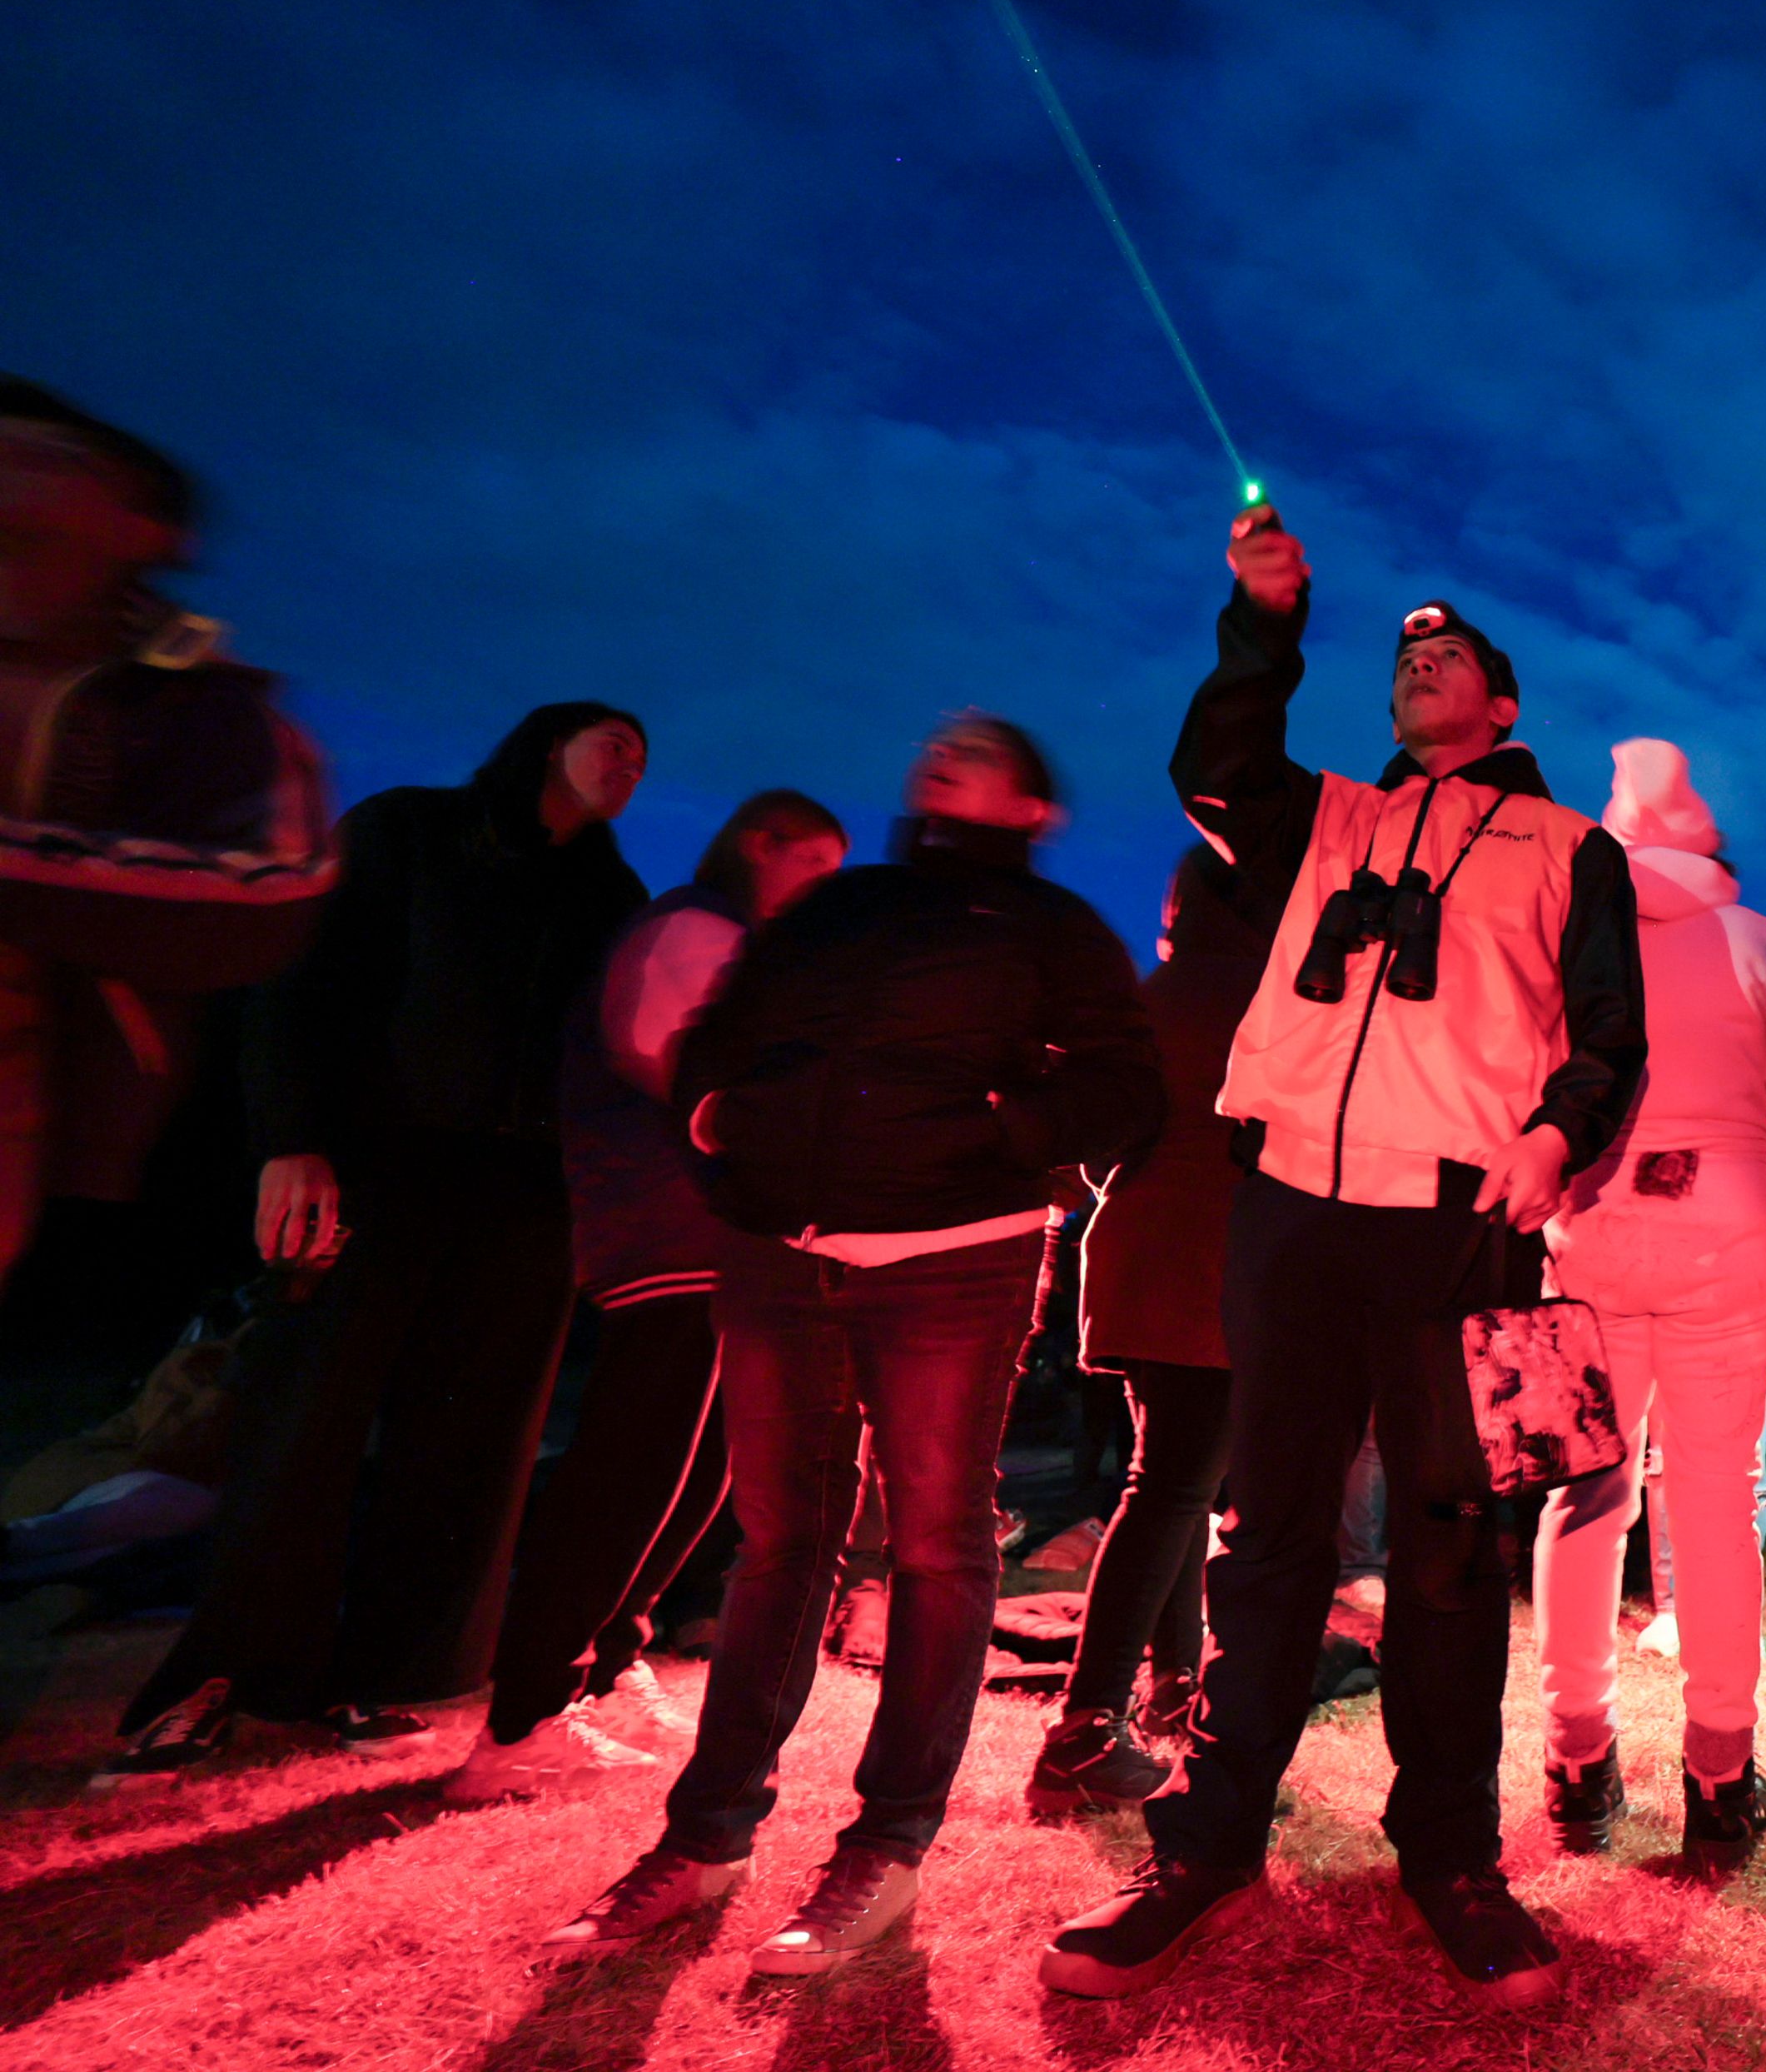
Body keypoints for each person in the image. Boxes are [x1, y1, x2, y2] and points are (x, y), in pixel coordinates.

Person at [1041, 504, 1644, 2012]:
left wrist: (1558, 1142)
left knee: (1446, 1554)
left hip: (1463, 1220)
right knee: (1267, 1536)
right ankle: (1206, 1842)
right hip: (1291, 1208)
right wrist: (1266, 624)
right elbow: (1213, 770)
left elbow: (1611, 1041)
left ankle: (1449, 1857)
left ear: (1505, 706)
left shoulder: (1576, 848)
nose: (1420, 664)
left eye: (1450, 657)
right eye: (1404, 656)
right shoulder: (1329, 820)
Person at [541, 715, 1162, 1976]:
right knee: (779, 1544)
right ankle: (706, 1837)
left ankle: (885, 1846)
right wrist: (720, 1117)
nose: (947, 746)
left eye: (982, 748)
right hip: (785, 1249)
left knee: (936, 1540)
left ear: (1031, 806)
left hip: (956, 1253)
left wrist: (1003, 1129)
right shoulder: (842, 905)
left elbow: (1127, 1087)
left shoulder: (1051, 932)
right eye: (940, 740)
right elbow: (727, 1022)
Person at [104, 703, 647, 1781]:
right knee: (304, 1414)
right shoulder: (409, 832)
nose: (629, 766)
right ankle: (228, 1673)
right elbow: (303, 987)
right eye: (612, 742)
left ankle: (388, 1679)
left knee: (470, 1440)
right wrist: (289, 1140)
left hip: (528, 1197)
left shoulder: (613, 897)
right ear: (548, 741)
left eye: (642, 757)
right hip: (378, 1164)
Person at [449, 790, 848, 1800]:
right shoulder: (695, 927)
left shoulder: (730, 939)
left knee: (700, 1463)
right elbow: (673, 1063)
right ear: (762, 845)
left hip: (716, 1230)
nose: (827, 887)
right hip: (667, 1220)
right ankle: (522, 1715)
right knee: (637, 1458)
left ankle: (606, 1656)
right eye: (818, 862)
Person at [1530, 739, 1766, 1861]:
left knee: (1581, 1498)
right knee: (1716, 1502)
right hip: (1730, 1236)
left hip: (1585, 1233)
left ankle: (1576, 1763)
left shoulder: (1564, 942)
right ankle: (1719, 1770)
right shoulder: (1758, 941)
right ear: (1706, 836)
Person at [0, 381, 332, 1289]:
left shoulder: (191, 709)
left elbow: (259, 894)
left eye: (50, 461)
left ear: (150, 531)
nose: (12, 481)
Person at [1025, 843, 1272, 1811]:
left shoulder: (1151, 995)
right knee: (1173, 1485)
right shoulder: (1276, 998)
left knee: (1172, 1476)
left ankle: (1173, 1685)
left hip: (1140, 1261)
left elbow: (1101, 1135)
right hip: (1219, 1267)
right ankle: (1084, 1730)